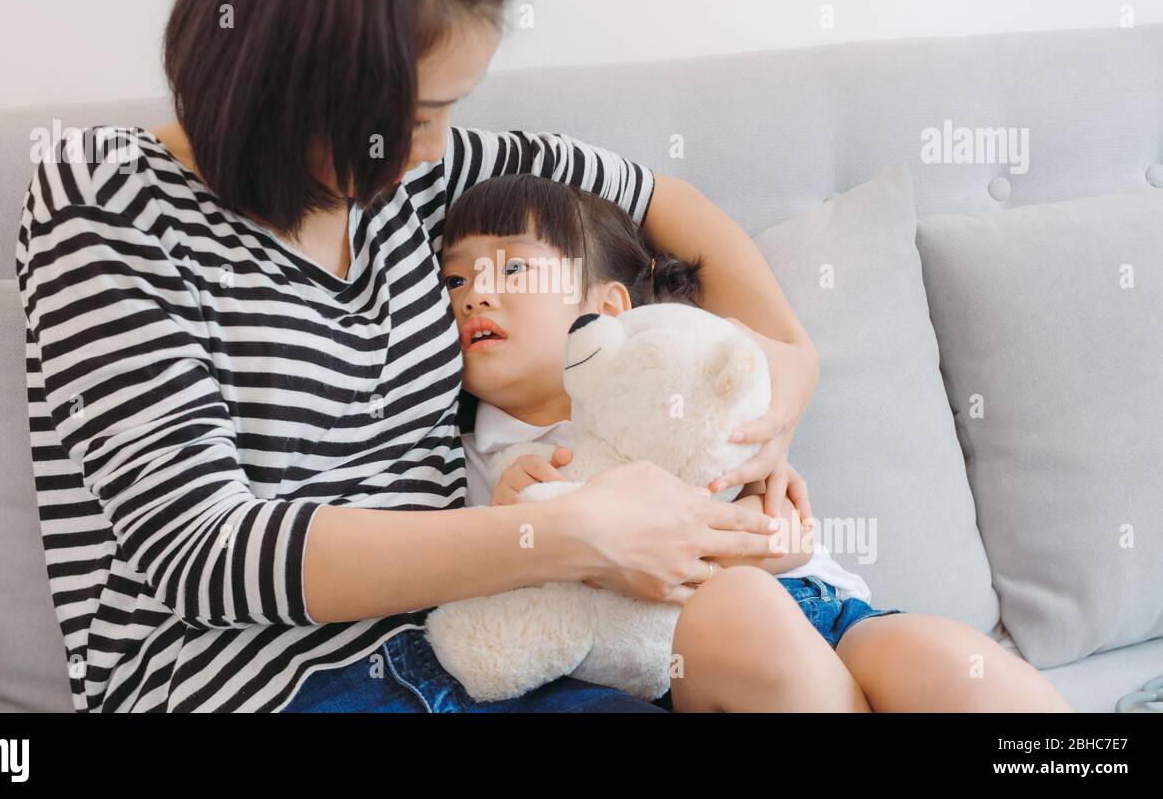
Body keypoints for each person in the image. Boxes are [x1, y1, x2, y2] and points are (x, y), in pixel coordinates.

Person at [15, 0, 825, 713]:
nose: (436, 144)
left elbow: (667, 198)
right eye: (412, 115)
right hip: (255, 686)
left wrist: (786, 376)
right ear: (293, 80)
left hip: (474, 648)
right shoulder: (104, 201)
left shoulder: (411, 178)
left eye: (450, 110)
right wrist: (568, 534)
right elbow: (200, 549)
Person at [443, 173, 1073, 711]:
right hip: (678, 663)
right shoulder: (484, 457)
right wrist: (520, 530)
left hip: (819, 608)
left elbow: (786, 533)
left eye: (512, 266)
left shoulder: (680, 385)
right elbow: (501, 604)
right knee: (736, 607)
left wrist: (709, 545)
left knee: (958, 666)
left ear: (607, 309)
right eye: (453, 282)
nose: (475, 295)